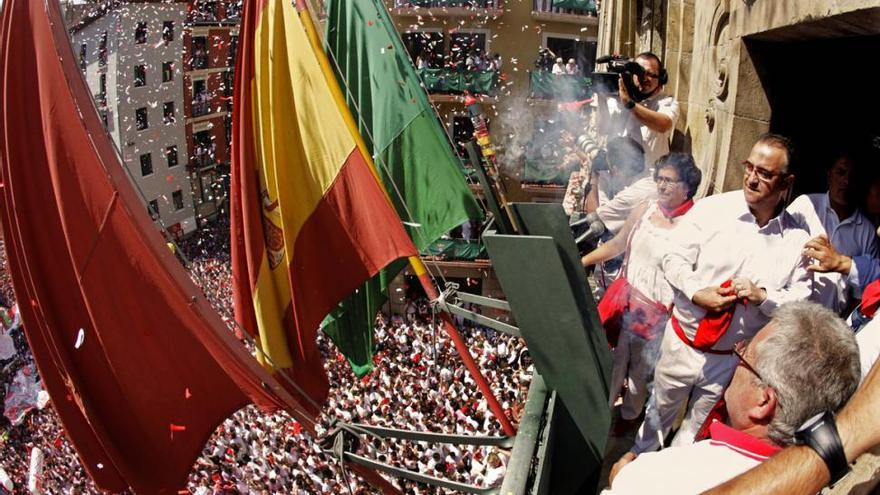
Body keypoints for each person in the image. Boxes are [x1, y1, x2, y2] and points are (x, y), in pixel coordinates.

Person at [624, 133, 813, 457]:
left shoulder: (796, 239)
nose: (752, 179)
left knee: (696, 433)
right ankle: (638, 465)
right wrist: (698, 292)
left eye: (765, 173)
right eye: (749, 168)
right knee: (658, 415)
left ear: (787, 182)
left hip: (728, 360)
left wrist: (764, 297)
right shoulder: (712, 210)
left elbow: (803, 294)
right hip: (682, 345)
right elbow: (672, 258)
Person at [605, 301, 861, 494]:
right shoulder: (812, 480)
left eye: (744, 354)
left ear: (763, 402)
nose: (737, 358)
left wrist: (622, 481)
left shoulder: (656, 477)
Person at [581, 153, 701, 432]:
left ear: (687, 186)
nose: (661, 186)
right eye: (659, 179)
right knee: (611, 360)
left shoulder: (696, 224)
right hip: (625, 301)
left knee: (640, 372)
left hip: (658, 314)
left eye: (669, 181)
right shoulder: (644, 208)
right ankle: (601, 414)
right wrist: (583, 261)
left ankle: (629, 417)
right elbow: (618, 244)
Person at [787, 152, 879, 314]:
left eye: (854, 176)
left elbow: (863, 293)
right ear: (829, 175)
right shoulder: (805, 206)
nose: (846, 181)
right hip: (790, 314)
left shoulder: (867, 231)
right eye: (841, 172)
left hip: (830, 324)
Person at [596, 52, 679, 169]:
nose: (644, 78)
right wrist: (601, 98)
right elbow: (603, 130)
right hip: (615, 178)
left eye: (650, 74)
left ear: (661, 78)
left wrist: (630, 104)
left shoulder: (665, 102)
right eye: (638, 73)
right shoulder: (616, 99)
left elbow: (664, 125)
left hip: (645, 179)